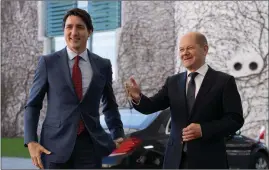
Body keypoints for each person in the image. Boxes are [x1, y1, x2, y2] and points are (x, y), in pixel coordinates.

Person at [125, 32, 244, 169]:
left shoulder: (223, 82)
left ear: (205, 49)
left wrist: (203, 130)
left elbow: (235, 119)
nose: (184, 53)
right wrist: (137, 97)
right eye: (181, 49)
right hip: (175, 161)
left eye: (190, 48)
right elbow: (150, 106)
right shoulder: (173, 82)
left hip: (209, 161)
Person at [24, 8, 125, 169]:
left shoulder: (103, 65)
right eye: (69, 27)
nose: (73, 32)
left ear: (89, 31)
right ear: (64, 31)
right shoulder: (48, 63)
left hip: (90, 147)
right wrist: (30, 141)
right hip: (54, 147)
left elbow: (110, 105)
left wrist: (118, 134)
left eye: (80, 27)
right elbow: (33, 104)